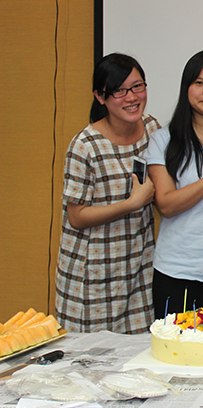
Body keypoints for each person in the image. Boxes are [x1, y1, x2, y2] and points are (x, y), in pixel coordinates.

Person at [56, 53, 161, 334]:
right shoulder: (85, 146)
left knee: (138, 354)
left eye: (137, 86)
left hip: (138, 272)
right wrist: (131, 204)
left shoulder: (152, 129)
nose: (132, 97)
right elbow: (76, 217)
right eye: (119, 91)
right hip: (92, 275)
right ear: (100, 96)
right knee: (90, 356)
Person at [144, 50, 203, 315]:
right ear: (186, 88)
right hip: (178, 270)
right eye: (199, 83)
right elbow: (166, 205)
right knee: (177, 341)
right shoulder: (163, 140)